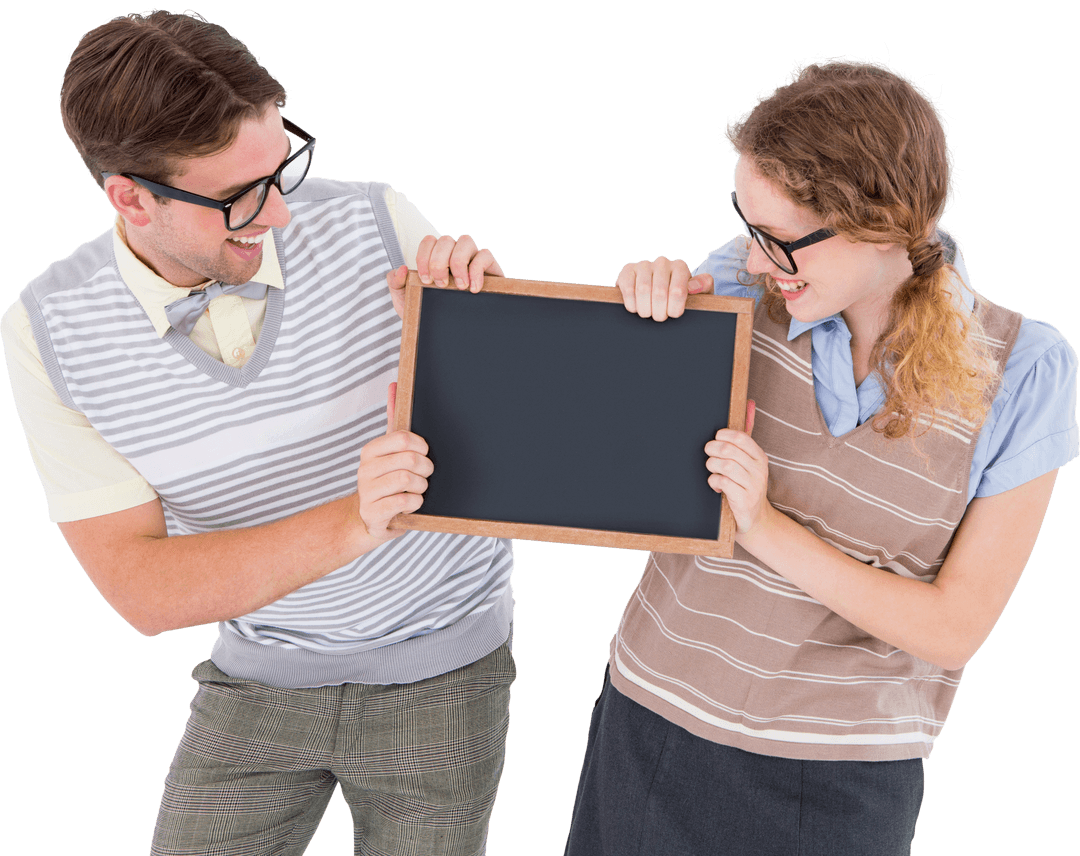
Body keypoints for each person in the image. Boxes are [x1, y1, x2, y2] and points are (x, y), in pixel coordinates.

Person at [2, 10, 515, 856]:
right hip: (257, 675)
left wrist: (483, 339)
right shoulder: (46, 331)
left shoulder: (379, 221)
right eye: (240, 195)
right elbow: (144, 589)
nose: (279, 215)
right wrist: (355, 520)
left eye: (285, 169)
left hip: (445, 666)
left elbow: (522, 443)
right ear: (130, 196)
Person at [564, 57, 1079, 855]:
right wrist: (639, 324)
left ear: (880, 223)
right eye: (747, 225)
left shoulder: (1026, 370)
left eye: (781, 241)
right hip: (653, 723)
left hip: (840, 783)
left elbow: (953, 630)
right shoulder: (737, 284)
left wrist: (766, 527)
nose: (760, 259)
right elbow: (608, 461)